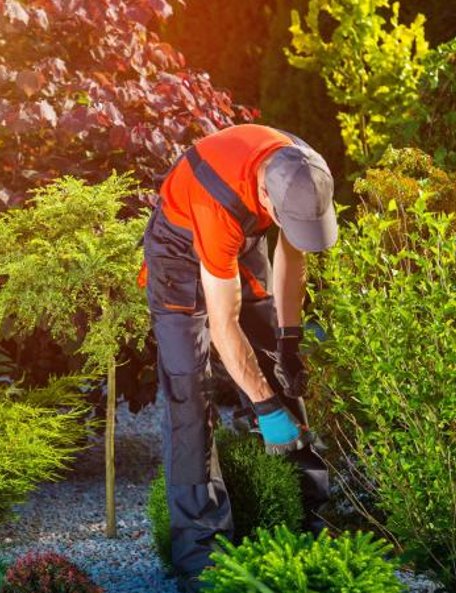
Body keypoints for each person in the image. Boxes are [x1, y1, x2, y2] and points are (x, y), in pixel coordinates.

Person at [140, 124, 335, 592]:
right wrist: (265, 407)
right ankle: (201, 555)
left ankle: (307, 519)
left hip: (240, 242)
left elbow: (292, 262)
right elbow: (223, 324)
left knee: (274, 364)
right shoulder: (218, 201)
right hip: (179, 250)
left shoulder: (304, 171)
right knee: (190, 392)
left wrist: (288, 340)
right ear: (265, 199)